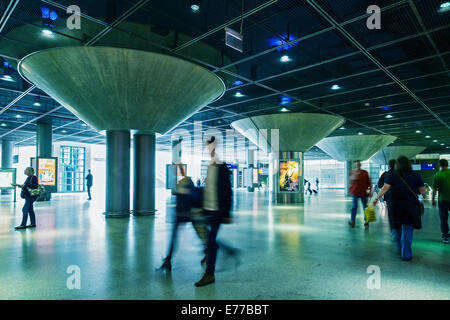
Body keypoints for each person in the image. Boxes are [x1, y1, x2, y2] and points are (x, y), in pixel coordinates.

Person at [195, 136, 238, 287]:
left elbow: (227, 191)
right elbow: (209, 190)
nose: (209, 150)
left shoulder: (221, 167)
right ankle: (220, 249)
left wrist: (227, 214)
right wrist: (203, 208)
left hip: (218, 210)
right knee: (208, 237)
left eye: (211, 146)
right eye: (208, 147)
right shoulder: (209, 166)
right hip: (209, 209)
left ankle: (210, 273)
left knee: (211, 239)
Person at [373, 156, 427, 261]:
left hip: (395, 206)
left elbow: (385, 188)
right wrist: (424, 196)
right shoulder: (416, 175)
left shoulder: (392, 175)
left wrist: (377, 198)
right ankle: (406, 254)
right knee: (407, 228)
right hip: (410, 206)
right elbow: (422, 190)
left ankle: (399, 247)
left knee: (397, 227)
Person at [160, 165, 208, 271]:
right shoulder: (188, 187)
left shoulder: (184, 187)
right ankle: (168, 259)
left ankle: (168, 259)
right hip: (188, 215)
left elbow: (177, 193)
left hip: (184, 216)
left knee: (175, 237)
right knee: (202, 234)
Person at [348, 160, 372, 228]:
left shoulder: (365, 172)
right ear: (355, 165)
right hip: (355, 192)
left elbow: (369, 183)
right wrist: (350, 190)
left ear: (360, 165)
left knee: (365, 206)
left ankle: (367, 221)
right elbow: (350, 183)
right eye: (356, 165)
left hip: (363, 192)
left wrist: (369, 191)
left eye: (358, 164)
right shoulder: (352, 172)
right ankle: (352, 221)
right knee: (354, 206)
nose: (357, 166)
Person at [432, 159, 450, 244]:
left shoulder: (437, 175)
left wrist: (433, 200)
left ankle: (445, 237)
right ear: (447, 164)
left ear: (439, 165)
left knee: (443, 219)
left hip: (442, 200)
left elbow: (435, 189)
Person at [377, 159, 396, 238]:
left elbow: (379, 185)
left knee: (391, 215)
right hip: (401, 197)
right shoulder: (401, 174)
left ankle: (393, 231)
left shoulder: (386, 174)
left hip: (389, 198)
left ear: (389, 166)